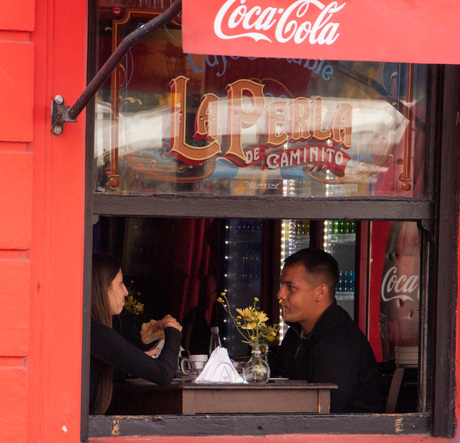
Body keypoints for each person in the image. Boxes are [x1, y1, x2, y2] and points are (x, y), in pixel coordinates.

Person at [270, 248, 383, 413]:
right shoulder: (296, 332)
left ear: (320, 292)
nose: (280, 294)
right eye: (281, 285)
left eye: (290, 287)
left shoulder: (339, 341)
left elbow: (326, 412)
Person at [90, 252, 182, 415]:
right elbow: (164, 373)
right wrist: (172, 329)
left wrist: (133, 366)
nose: (125, 291)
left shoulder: (91, 329)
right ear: (103, 288)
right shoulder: (96, 332)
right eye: (120, 283)